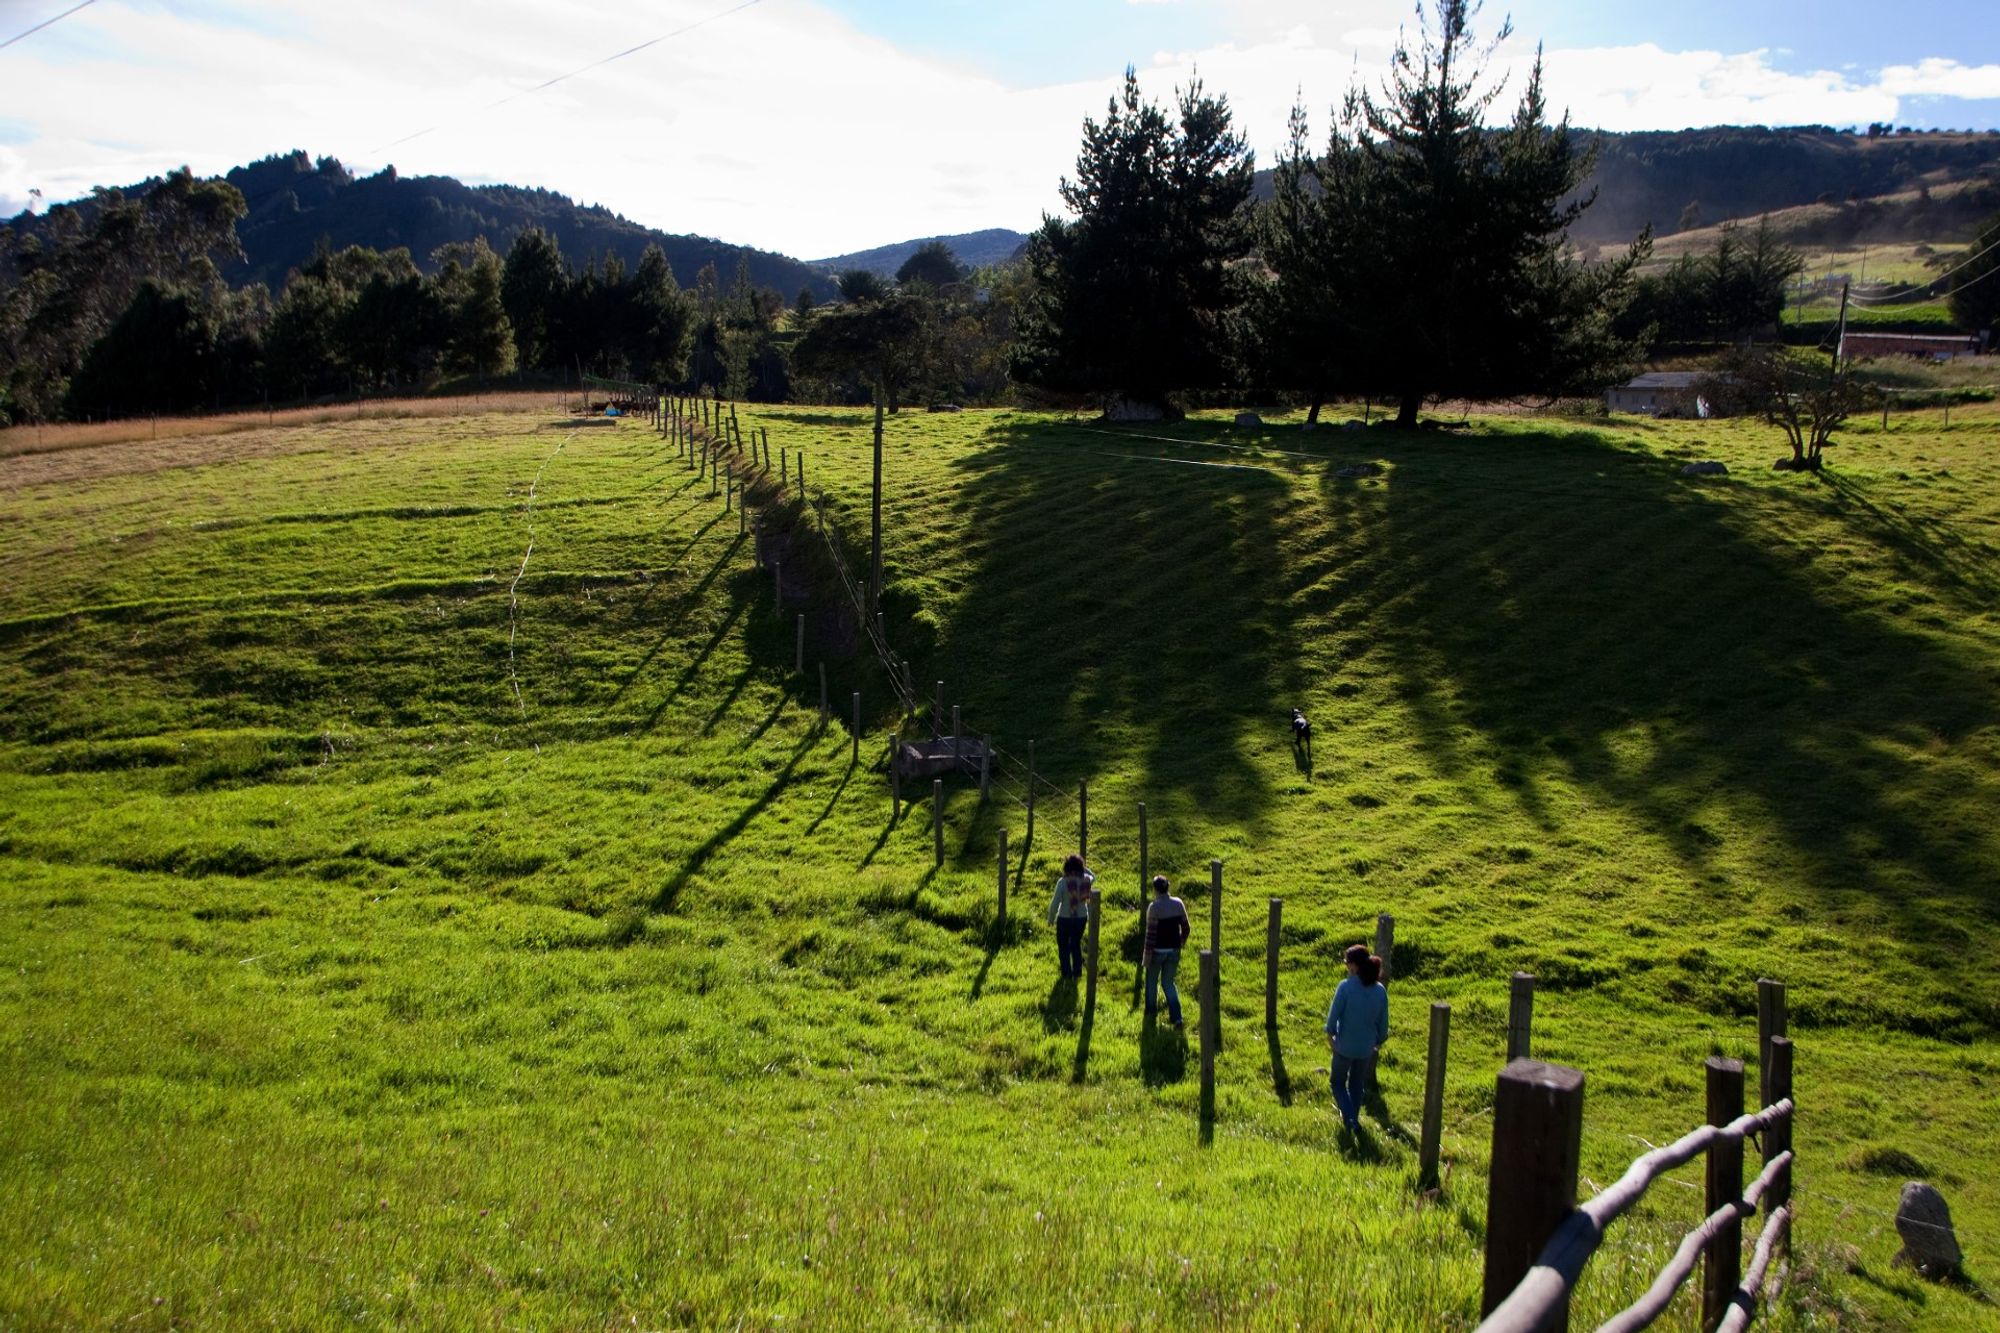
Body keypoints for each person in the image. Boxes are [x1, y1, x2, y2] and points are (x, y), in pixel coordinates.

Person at [1325, 944, 1388, 1134]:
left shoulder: (1345, 987)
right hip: (1366, 1048)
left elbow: (1333, 1016)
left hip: (1345, 1046)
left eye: (1347, 963)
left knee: (1337, 1082)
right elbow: (1383, 1023)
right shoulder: (1379, 991)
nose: (1346, 967)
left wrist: (1330, 1036)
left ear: (1354, 966)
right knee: (1357, 1084)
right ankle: (1352, 1118)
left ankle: (1351, 1118)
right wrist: (1378, 1041)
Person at [1143, 875, 1190, 1027]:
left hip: (1157, 950)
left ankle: (1151, 1014)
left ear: (1155, 889)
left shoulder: (1154, 907)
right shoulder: (1178, 903)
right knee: (1169, 983)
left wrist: (1146, 956)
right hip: (1174, 950)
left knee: (1151, 982)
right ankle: (1177, 1018)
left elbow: (1150, 936)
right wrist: (1180, 942)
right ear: (1168, 887)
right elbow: (1186, 928)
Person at [1047, 854, 1095, 979]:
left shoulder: (1062, 882)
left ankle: (1066, 973)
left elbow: (1055, 903)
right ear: (1081, 867)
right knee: (1075, 943)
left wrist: (1051, 918)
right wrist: (1083, 869)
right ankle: (1077, 971)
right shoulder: (1086, 879)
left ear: (1066, 867)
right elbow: (1093, 876)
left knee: (1063, 946)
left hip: (1064, 918)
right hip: (1081, 917)